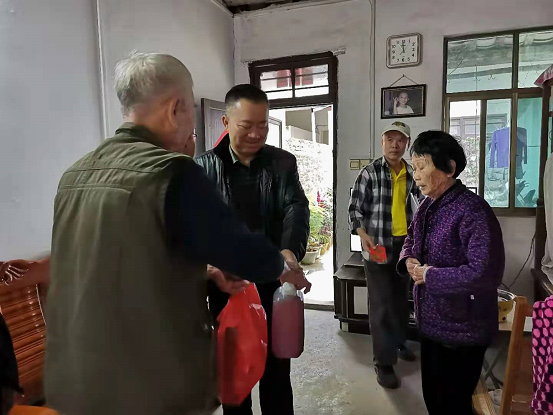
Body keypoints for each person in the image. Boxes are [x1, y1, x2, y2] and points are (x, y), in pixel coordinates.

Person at [44, 52, 309, 415]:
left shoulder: (74, 174)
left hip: (73, 379)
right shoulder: (174, 172)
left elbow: (134, 254)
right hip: (145, 380)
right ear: (175, 109)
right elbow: (237, 247)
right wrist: (280, 265)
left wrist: (209, 272)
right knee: (233, 379)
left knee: (275, 374)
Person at [195, 84, 311, 415]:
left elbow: (295, 208)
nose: (256, 134)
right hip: (227, 287)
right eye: (247, 125)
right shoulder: (203, 169)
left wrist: (289, 251)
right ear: (226, 122)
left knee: (277, 370)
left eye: (263, 125)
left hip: (274, 283)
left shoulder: (282, 162)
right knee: (236, 375)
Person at [397, 130, 505, 415]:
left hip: (462, 330)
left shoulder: (473, 211)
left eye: (422, 167)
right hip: (431, 324)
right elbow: (411, 237)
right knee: (434, 400)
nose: (416, 176)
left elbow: (485, 273)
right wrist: (408, 258)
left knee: (452, 405)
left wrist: (429, 276)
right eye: (414, 168)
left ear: (449, 168)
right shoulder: (427, 205)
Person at [348, 121, 421, 389]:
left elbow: (422, 206)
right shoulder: (369, 173)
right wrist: (362, 234)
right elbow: (354, 209)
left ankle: (399, 342)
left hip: (404, 247)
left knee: (400, 300)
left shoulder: (412, 173)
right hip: (377, 246)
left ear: (407, 144)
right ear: (382, 142)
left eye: (400, 140)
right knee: (381, 304)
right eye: (389, 139)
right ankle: (384, 363)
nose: (394, 145)